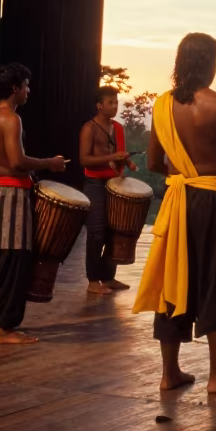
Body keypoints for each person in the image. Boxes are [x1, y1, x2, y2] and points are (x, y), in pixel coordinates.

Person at [132, 33, 216, 393]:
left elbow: (155, 161)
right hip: (210, 201)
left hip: (177, 201)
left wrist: (183, 174)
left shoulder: (161, 106)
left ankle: (169, 373)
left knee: (173, 279)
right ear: (209, 64)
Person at [0, 63, 67, 345]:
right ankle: (6, 329)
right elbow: (17, 162)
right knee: (14, 262)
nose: (29, 91)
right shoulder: (11, 119)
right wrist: (49, 163)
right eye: (27, 85)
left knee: (1, 262)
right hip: (11, 196)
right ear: (15, 88)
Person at [79, 86, 137, 295]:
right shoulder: (89, 128)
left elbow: (119, 153)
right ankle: (93, 281)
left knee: (114, 231)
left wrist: (128, 162)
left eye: (116, 102)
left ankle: (108, 278)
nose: (115, 106)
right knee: (96, 232)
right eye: (111, 103)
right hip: (94, 184)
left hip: (115, 184)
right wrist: (111, 158)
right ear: (99, 106)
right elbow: (84, 160)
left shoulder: (118, 128)